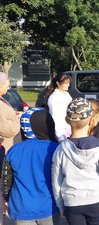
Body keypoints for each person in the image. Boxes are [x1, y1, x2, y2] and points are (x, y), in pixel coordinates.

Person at [52, 97, 99, 225]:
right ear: (91, 120)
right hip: (97, 200)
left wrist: (60, 205)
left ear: (66, 120)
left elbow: (56, 181)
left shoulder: (60, 150)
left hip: (72, 203)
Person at [2, 109, 60, 225]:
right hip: (49, 206)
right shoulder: (55, 148)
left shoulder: (14, 150)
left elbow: (6, 180)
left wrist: (7, 199)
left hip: (21, 207)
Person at [0, 72, 21, 225]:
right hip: (4, 149)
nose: (9, 86)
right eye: (7, 83)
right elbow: (7, 129)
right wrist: (17, 120)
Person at [47, 73, 72, 141]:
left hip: (68, 128)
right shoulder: (54, 98)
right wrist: (59, 134)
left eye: (69, 83)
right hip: (60, 131)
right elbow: (54, 117)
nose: (68, 85)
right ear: (58, 83)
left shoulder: (67, 95)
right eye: (66, 83)